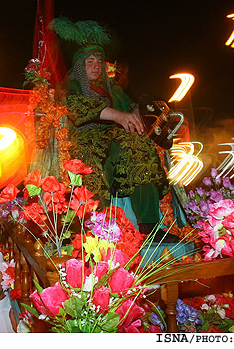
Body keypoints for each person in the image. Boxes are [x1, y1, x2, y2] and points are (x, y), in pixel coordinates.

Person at [55, 18, 178, 242]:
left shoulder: (113, 90)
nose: (95, 66)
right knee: (117, 153)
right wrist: (118, 115)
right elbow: (77, 108)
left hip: (116, 142)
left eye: (99, 61)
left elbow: (133, 110)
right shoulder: (70, 87)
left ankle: (150, 226)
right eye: (89, 61)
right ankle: (93, 233)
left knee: (139, 148)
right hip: (87, 143)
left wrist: (151, 114)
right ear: (80, 65)